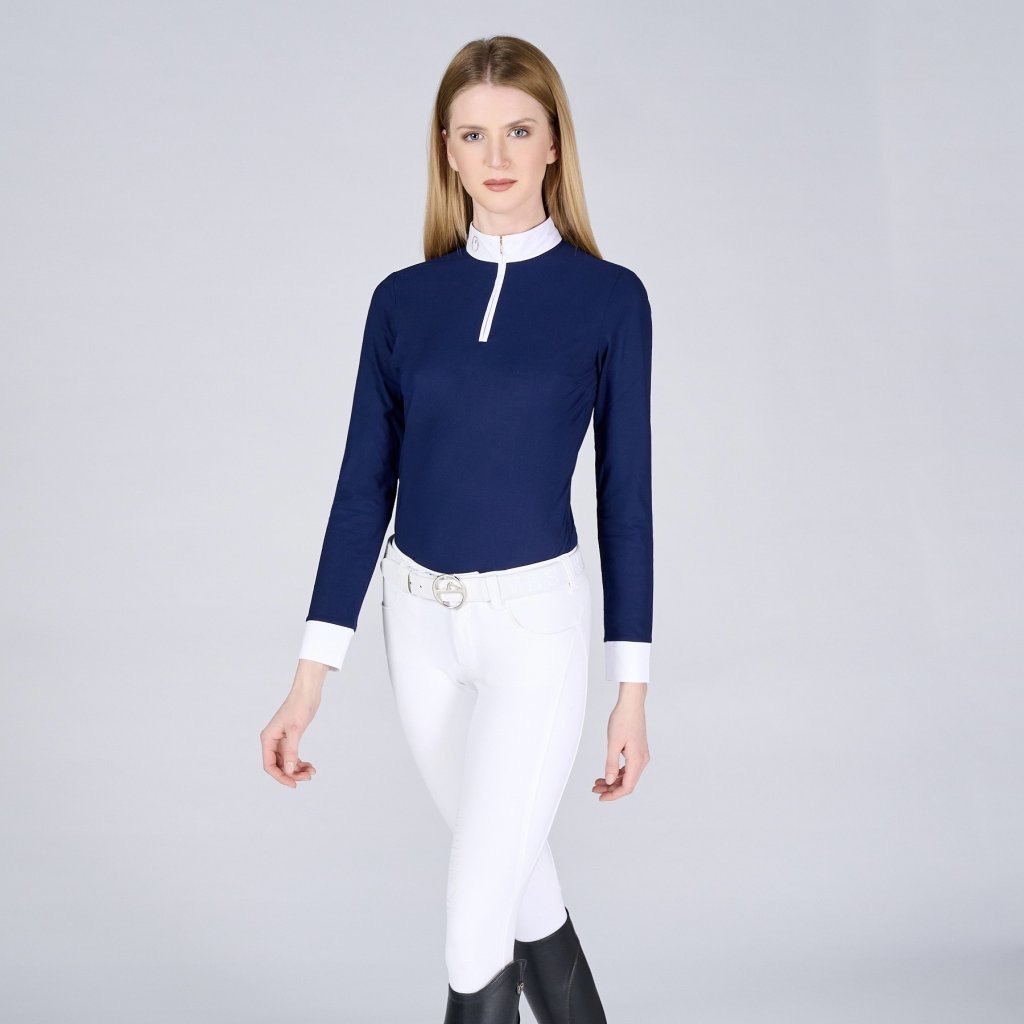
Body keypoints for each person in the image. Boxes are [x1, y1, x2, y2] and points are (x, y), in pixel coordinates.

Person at [260, 35, 653, 1024]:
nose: (497, 155)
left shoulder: (609, 299)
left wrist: (631, 691)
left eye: (519, 130)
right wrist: (310, 678)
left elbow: (626, 499)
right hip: (418, 625)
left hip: (536, 631)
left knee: (475, 923)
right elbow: (363, 486)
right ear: (446, 149)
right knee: (524, 892)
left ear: (555, 142)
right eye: (473, 135)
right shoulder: (403, 302)